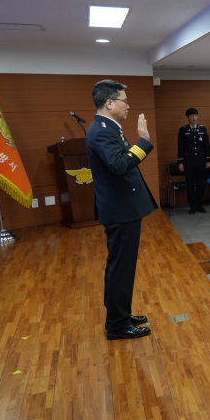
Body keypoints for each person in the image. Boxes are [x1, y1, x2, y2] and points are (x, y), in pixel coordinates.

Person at [86, 79, 157, 341]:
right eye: (124, 101)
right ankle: (117, 324)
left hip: (123, 209)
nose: (128, 105)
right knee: (121, 268)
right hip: (120, 211)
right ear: (109, 103)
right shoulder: (102, 131)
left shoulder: (108, 127)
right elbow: (120, 165)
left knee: (121, 267)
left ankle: (120, 315)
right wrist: (143, 142)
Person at [177, 107, 210, 214]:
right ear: (188, 117)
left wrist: (208, 160)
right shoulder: (183, 130)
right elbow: (181, 147)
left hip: (201, 161)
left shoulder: (202, 129)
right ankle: (192, 206)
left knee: (200, 184)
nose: (194, 118)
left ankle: (200, 205)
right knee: (190, 185)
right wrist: (180, 162)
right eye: (191, 116)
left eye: (195, 116)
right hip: (189, 162)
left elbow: (206, 146)